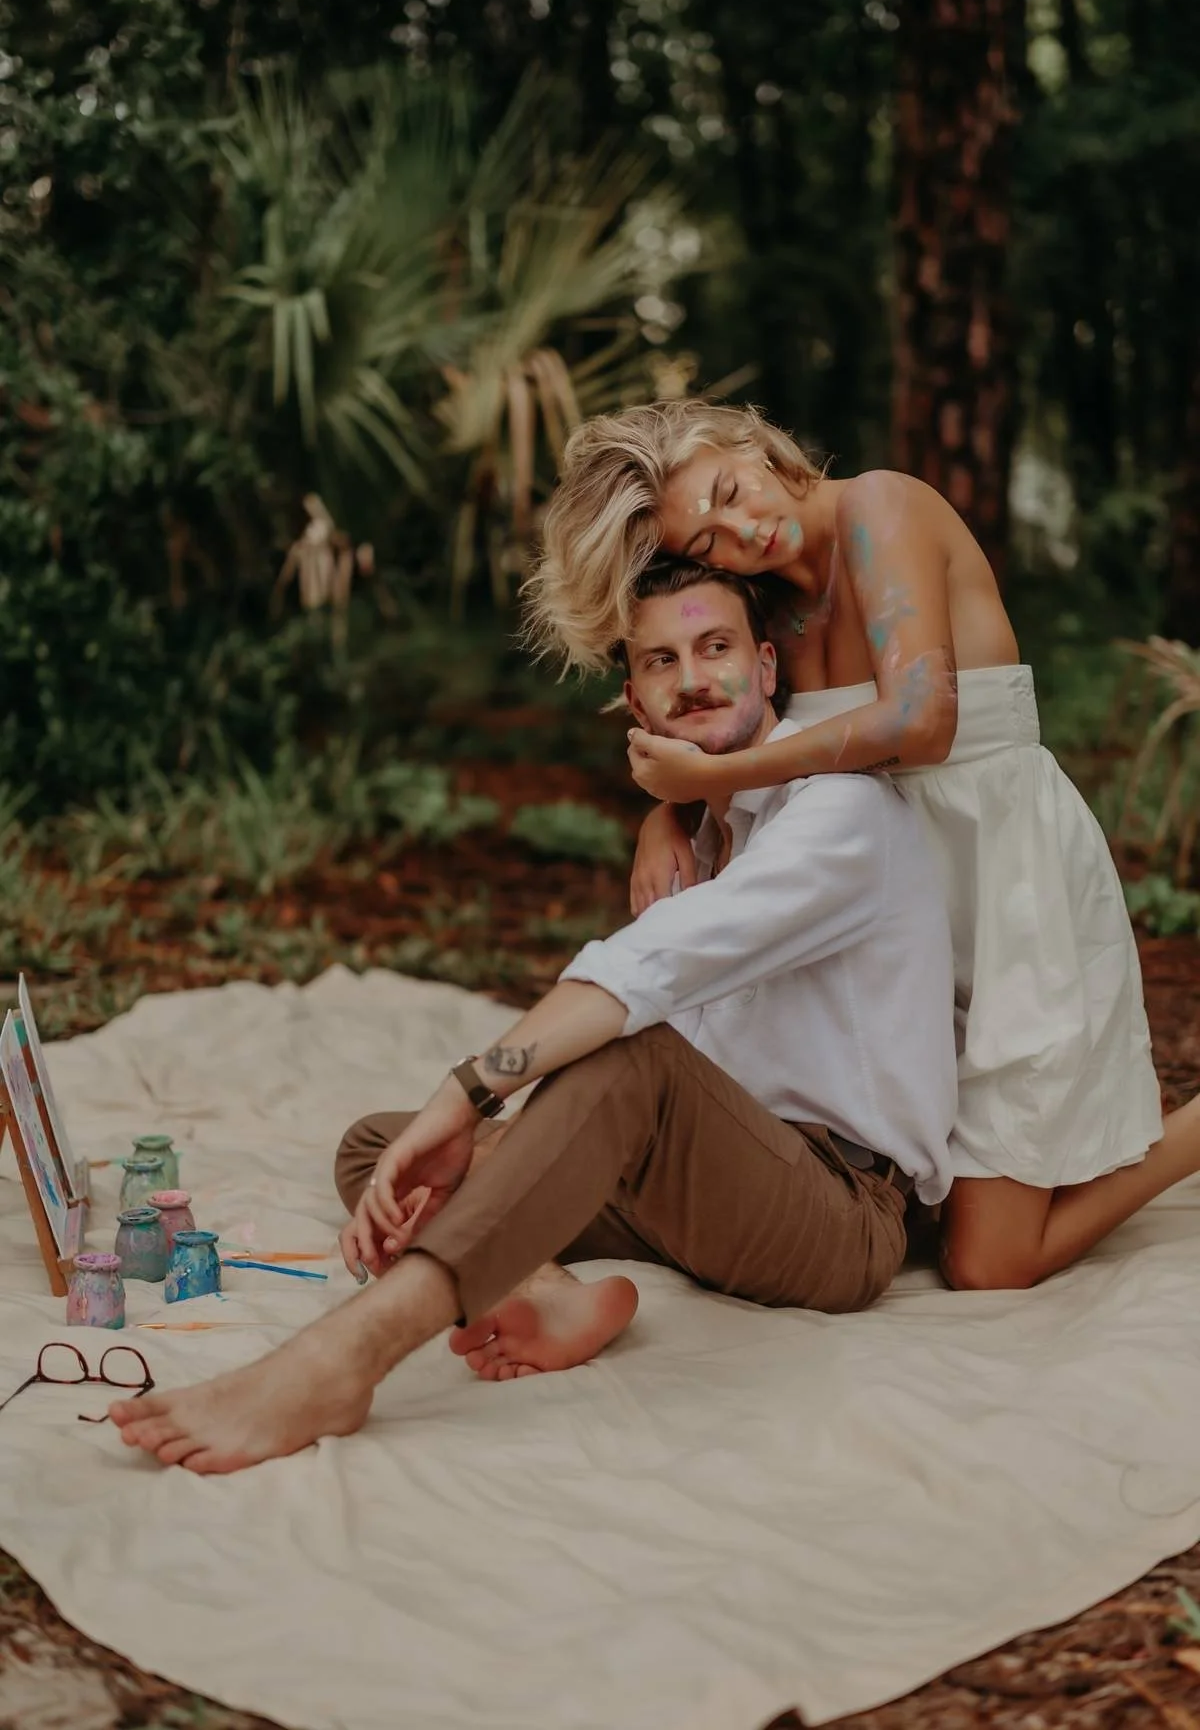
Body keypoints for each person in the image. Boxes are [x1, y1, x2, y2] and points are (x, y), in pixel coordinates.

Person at [109, 559, 958, 1473]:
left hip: (834, 1210)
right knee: (380, 1153)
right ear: (636, 701)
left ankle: (342, 1358)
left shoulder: (839, 813)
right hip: (700, 1176)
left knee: (623, 1058)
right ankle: (538, 1286)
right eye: (663, 661)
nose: (694, 678)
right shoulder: (709, 831)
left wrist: (468, 1092)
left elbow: (640, 981)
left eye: (715, 649)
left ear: (765, 668)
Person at [524, 400, 1200, 1291]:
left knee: (988, 1265)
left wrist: (709, 785)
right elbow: (705, 717)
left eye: (730, 490)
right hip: (882, 926)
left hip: (1003, 891)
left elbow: (919, 724)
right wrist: (667, 814)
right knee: (900, 1190)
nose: (741, 529)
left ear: (751, 446)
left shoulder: (880, 508)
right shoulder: (770, 600)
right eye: (708, 540)